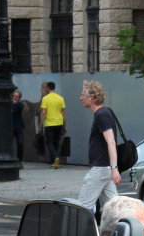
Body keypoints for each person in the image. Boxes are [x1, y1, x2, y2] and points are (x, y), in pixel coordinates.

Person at [75, 80, 121, 214]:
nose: (81, 98)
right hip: (105, 169)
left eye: (83, 95)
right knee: (113, 210)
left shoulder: (102, 115)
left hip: (101, 168)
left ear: (92, 97)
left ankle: (78, 234)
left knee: (82, 208)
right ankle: (119, 233)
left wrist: (114, 168)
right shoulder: (104, 113)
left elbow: (111, 141)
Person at [40, 81, 66, 168]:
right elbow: (63, 113)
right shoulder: (60, 98)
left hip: (49, 123)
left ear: (48, 88)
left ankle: (55, 157)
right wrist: (65, 125)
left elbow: (44, 113)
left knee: (49, 142)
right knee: (56, 142)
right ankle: (52, 162)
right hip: (59, 123)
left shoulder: (45, 99)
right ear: (54, 88)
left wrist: (40, 125)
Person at [11, 89, 26, 162]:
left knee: (20, 143)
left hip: (18, 126)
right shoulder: (9, 104)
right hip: (10, 127)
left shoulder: (20, 105)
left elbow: (21, 106)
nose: (15, 97)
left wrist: (16, 103)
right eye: (14, 96)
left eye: (17, 96)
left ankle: (20, 159)